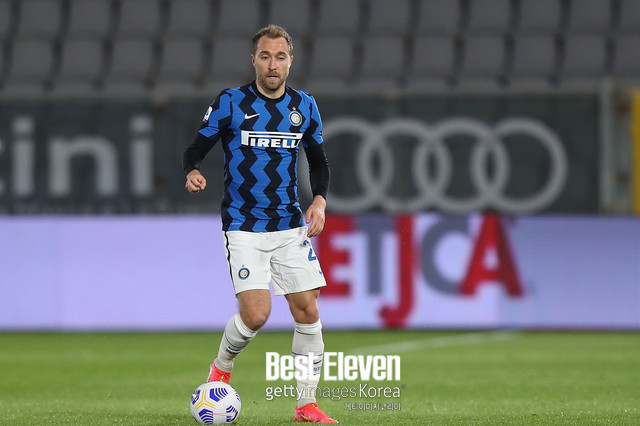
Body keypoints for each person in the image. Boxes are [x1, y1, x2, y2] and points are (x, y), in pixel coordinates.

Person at [182, 25, 336, 423]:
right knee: (255, 316)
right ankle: (221, 367)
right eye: (265, 56)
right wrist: (192, 170)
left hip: (289, 224)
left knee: (308, 311)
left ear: (290, 62)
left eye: (280, 57)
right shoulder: (231, 102)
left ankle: (306, 405)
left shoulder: (304, 106)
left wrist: (319, 201)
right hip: (244, 225)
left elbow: (318, 163)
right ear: (254, 60)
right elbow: (196, 147)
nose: (272, 65)